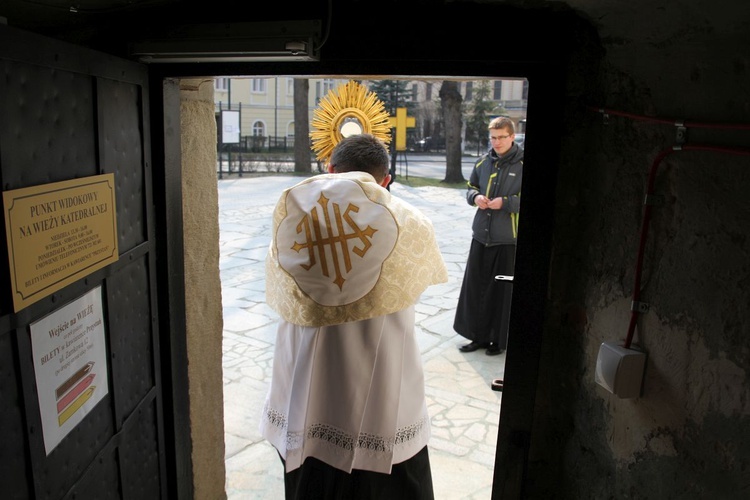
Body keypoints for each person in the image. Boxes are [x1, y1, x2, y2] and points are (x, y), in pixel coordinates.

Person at [259, 133, 448, 499]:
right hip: (384, 374)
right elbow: (421, 279)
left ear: (330, 169)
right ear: (385, 181)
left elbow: (280, 292)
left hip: (310, 375)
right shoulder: (410, 220)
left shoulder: (290, 214)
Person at [453, 116, 523, 356]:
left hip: (506, 240)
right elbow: (470, 188)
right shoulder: (483, 163)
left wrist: (506, 202)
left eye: (501, 137)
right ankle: (476, 337)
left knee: (500, 293)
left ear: (512, 136)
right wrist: (476, 198)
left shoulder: (523, 164)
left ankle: (496, 340)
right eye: (493, 137)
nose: (496, 142)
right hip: (481, 236)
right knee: (476, 288)